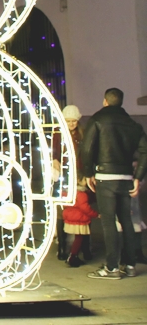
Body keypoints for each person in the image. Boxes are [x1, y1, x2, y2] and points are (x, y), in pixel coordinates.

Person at [81, 88, 147, 279]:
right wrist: (138, 177)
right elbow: (145, 151)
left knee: (109, 222)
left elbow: (87, 148)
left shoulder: (97, 120)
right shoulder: (133, 124)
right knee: (126, 220)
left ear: (105, 101)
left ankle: (112, 267)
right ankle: (130, 265)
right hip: (126, 177)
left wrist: (88, 173)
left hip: (105, 176)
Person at [55, 104, 84, 260]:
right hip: (63, 175)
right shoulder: (58, 135)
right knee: (62, 211)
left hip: (78, 175)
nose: (72, 124)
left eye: (74, 121)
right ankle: (62, 246)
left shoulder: (81, 135)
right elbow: (54, 151)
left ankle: (83, 246)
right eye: (69, 121)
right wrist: (54, 159)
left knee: (82, 209)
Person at [63, 177, 100, 267]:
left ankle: (73, 255)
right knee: (79, 238)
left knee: (77, 238)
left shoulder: (68, 192)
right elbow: (85, 208)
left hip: (71, 217)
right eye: (84, 180)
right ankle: (72, 256)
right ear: (79, 181)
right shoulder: (82, 194)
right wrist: (96, 214)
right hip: (80, 219)